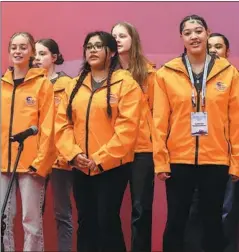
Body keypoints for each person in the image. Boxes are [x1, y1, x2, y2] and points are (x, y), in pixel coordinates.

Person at [152, 14, 239, 252]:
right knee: (176, 220)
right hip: (178, 159)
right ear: (182, 38)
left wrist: (238, 163)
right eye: (188, 33)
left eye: (198, 31)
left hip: (215, 159)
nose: (194, 36)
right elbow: (158, 122)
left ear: (207, 33)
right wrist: (161, 161)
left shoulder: (228, 73)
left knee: (212, 222)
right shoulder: (166, 74)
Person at [55, 31, 142, 251]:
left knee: (107, 221)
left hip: (111, 166)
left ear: (111, 52)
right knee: (85, 222)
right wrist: (74, 155)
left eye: (98, 46)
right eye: (88, 46)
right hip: (81, 166)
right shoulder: (74, 85)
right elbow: (62, 124)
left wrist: (100, 158)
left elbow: (128, 128)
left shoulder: (126, 83)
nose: (92, 50)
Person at [185, 32, 239, 252]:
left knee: (227, 215)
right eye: (210, 46)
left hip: (233, 161)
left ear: (227, 52)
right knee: (195, 215)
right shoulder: (193, 84)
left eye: (219, 46)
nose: (214, 50)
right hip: (202, 161)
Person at [1, 31, 55, 252]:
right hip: (3, 164)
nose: (18, 51)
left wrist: (41, 162)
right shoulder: (2, 85)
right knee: (3, 220)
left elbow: (48, 128)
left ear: (32, 51)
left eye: (23, 47)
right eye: (14, 47)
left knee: (31, 223)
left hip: (31, 165)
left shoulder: (42, 84)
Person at [111, 21, 157, 252]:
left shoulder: (150, 73)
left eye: (122, 35)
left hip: (142, 150)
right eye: (114, 36)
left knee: (141, 209)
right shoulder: (105, 74)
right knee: (109, 210)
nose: (117, 40)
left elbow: (158, 114)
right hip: (114, 150)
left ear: (133, 39)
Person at [34, 38, 74, 252]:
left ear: (54, 57)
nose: (37, 58)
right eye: (35, 55)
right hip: (33, 157)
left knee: (62, 214)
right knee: (33, 213)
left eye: (42, 54)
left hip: (60, 158)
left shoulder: (68, 84)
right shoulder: (29, 84)